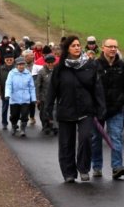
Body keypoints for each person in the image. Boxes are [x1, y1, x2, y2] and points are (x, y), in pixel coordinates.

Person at [45, 35, 106, 183]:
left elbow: (97, 89)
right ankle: (69, 172)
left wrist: (101, 109)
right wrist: (47, 109)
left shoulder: (90, 66)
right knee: (66, 143)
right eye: (73, 45)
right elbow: (52, 90)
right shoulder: (60, 69)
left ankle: (83, 168)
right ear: (67, 49)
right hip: (66, 109)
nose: (77, 48)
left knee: (86, 138)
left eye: (78, 45)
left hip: (86, 110)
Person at [91, 38, 124, 180]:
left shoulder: (123, 66)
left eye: (115, 47)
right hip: (97, 110)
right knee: (96, 139)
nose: (113, 49)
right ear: (103, 48)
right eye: (110, 47)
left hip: (116, 109)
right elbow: (87, 87)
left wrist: (122, 100)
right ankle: (96, 166)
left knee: (116, 137)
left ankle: (117, 167)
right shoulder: (94, 65)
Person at [5, 56, 37, 137]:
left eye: (22, 64)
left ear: (25, 65)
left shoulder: (28, 74)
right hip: (14, 98)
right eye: (19, 65)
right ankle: (14, 126)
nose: (21, 66)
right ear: (16, 65)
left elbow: (32, 87)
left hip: (25, 99)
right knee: (14, 115)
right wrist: (7, 94)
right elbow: (8, 85)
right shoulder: (12, 73)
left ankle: (23, 129)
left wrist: (33, 98)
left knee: (24, 114)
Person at [35, 54, 58, 135]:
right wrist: (38, 98)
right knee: (44, 113)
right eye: (49, 63)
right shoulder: (42, 72)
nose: (50, 64)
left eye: (52, 63)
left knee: (54, 112)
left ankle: (55, 126)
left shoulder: (57, 71)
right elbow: (38, 85)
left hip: (55, 96)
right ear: (46, 63)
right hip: (44, 96)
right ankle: (45, 126)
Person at [0, 51, 15, 131]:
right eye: (7, 60)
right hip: (4, 93)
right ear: (5, 60)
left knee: (14, 110)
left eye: (10, 60)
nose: (9, 61)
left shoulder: (16, 69)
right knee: (5, 108)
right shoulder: (1, 70)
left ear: (13, 60)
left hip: (14, 94)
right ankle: (4, 123)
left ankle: (14, 123)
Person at [22, 49, 43, 125]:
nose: (28, 58)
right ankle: (24, 116)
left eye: (30, 56)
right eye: (26, 56)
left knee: (32, 103)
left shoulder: (37, 65)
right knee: (24, 103)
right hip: (24, 88)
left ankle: (32, 117)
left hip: (33, 87)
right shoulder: (21, 65)